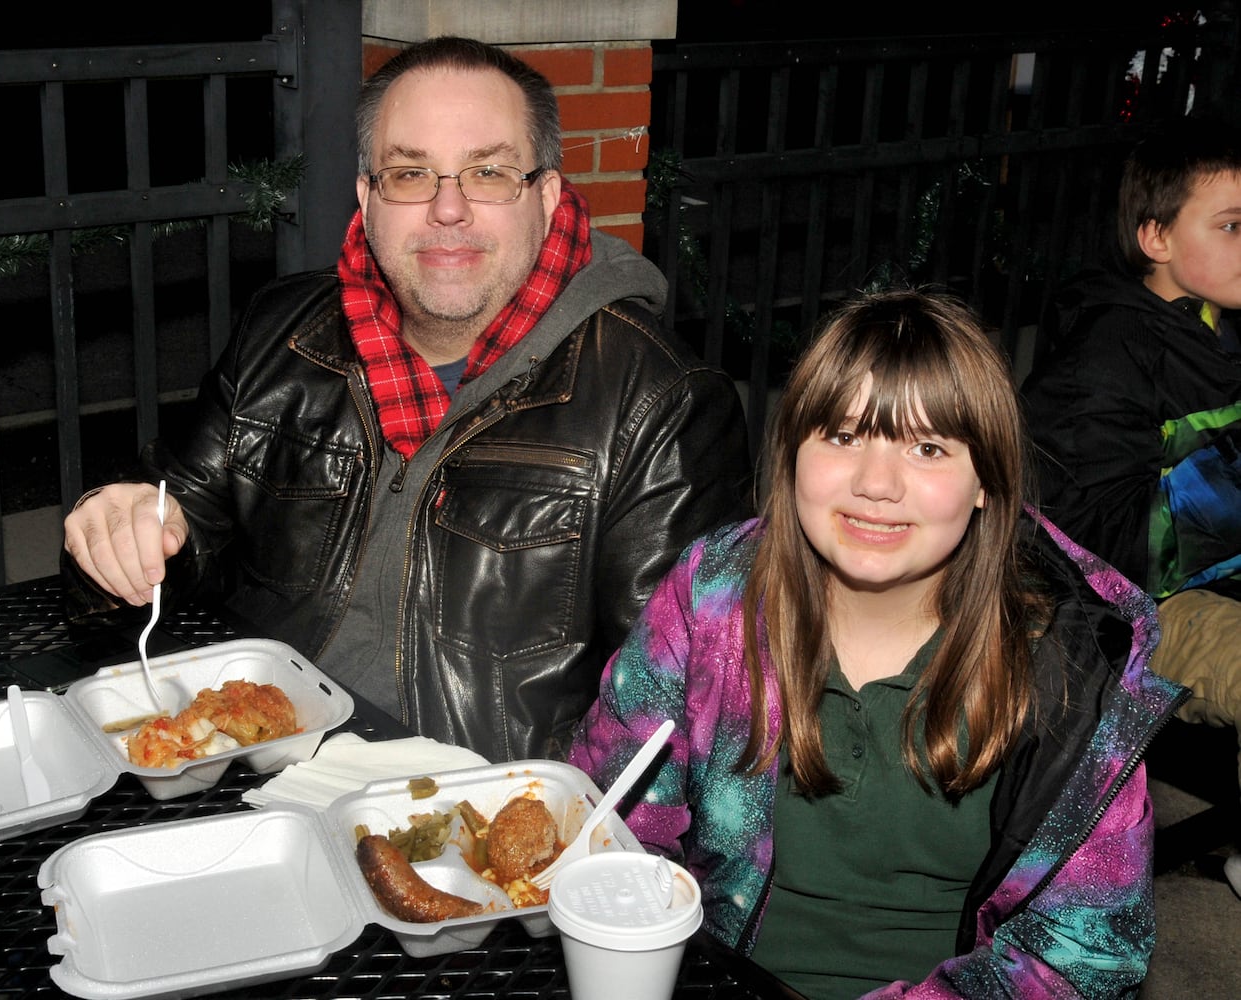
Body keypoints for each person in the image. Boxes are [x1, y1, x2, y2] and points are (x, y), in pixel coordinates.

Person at [61, 36, 751, 764]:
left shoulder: (659, 401)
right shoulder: (283, 335)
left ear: (544, 197)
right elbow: (176, 527)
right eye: (409, 173)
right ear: (367, 198)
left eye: (487, 172)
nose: (446, 208)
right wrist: (116, 528)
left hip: (474, 817)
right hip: (245, 761)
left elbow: (674, 705)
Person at [569, 289, 1186, 998]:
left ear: (987, 481)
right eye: (841, 435)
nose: (875, 485)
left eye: (926, 448)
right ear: (792, 450)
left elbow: (1084, 954)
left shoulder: (1072, 663)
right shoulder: (710, 596)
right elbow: (613, 814)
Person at [1019, 116, 1241, 897]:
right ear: (1155, 238)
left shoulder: (1219, 324)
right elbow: (1100, 549)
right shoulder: (1104, 357)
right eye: (1231, 225)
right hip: (1130, 609)